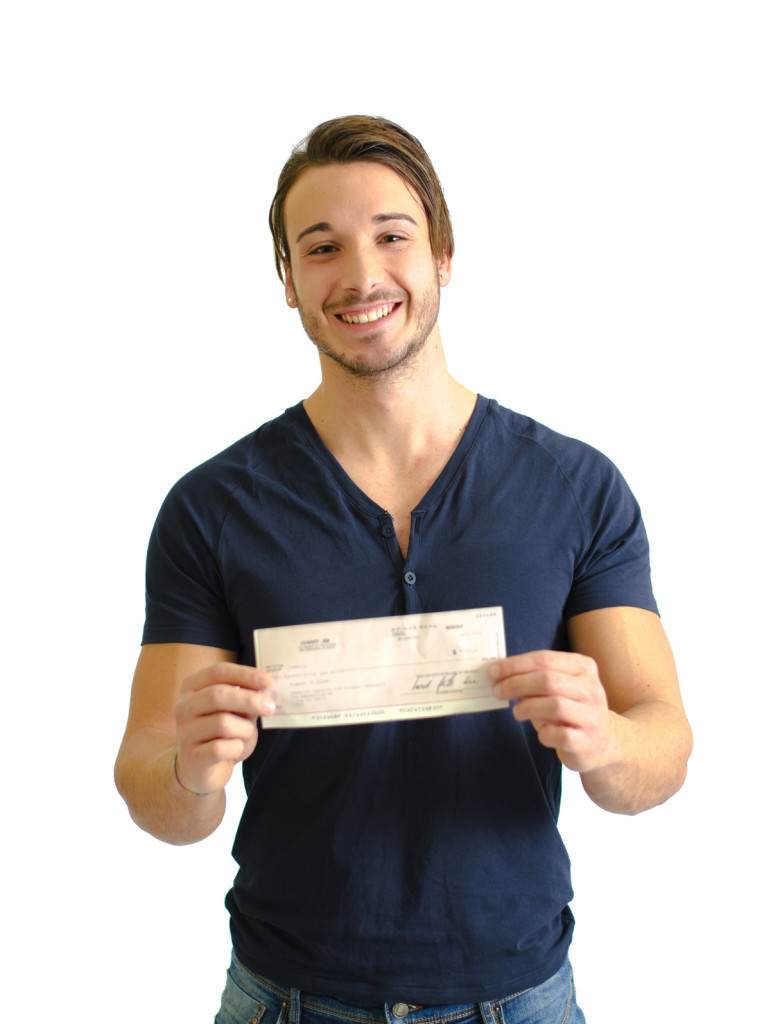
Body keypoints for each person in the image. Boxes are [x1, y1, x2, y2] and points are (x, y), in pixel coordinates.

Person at [115, 115, 692, 1023]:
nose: (361, 274)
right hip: (286, 998)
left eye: (392, 236)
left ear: (444, 256)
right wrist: (189, 772)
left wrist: (608, 741)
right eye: (321, 247)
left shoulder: (576, 488)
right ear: (289, 281)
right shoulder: (213, 507)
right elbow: (153, 787)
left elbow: (663, 747)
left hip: (521, 997)